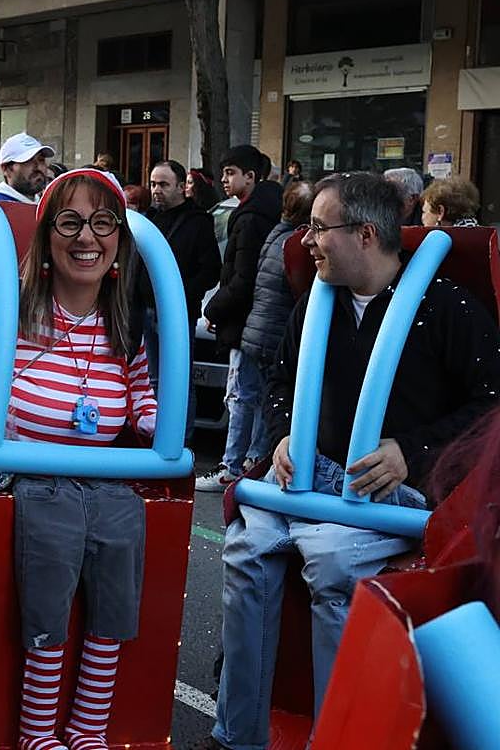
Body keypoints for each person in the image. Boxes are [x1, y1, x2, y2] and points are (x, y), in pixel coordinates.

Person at [196, 171, 500, 750]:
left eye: (317, 228)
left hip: (392, 499)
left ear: (364, 234)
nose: (305, 240)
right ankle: (234, 736)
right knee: (244, 550)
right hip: (310, 480)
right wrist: (285, 435)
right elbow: (284, 381)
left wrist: (414, 452)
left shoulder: (446, 307)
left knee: (333, 564)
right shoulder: (313, 304)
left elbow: (491, 403)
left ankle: (341, 738)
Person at [0, 168, 156, 750]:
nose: (87, 238)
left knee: (124, 532)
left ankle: (88, 729)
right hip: (22, 482)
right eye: (70, 222)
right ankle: (37, 733)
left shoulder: (125, 323)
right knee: (52, 529)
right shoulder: (1, 301)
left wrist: (158, 435)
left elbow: (143, 401)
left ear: (119, 241)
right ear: (46, 235)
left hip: (97, 484)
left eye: (104, 224)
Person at [205, 180, 316, 492]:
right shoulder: (294, 244)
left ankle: (239, 464)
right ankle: (247, 464)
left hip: (256, 330)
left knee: (245, 398)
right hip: (273, 333)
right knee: (258, 402)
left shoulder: (275, 234)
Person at [198, 145, 282, 490]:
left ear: (251, 176)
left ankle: (232, 466)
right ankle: (254, 460)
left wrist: (215, 308)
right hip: (258, 321)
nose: (224, 179)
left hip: (247, 323)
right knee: (256, 395)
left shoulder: (249, 219)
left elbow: (241, 278)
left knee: (241, 395)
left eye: (231, 172)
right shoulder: (263, 211)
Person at [144, 159, 221, 441]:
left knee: (179, 380)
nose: (156, 190)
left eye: (163, 184)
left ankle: (179, 440)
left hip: (177, 313)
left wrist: (179, 294)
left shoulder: (198, 222)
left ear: (181, 187)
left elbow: (211, 270)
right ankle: (152, 435)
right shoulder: (148, 218)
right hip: (146, 309)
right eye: (153, 183)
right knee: (151, 378)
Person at [0, 132, 54, 203]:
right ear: (6, 169)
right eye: (28, 161)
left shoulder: (44, 205)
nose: (38, 167)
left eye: (41, 160)